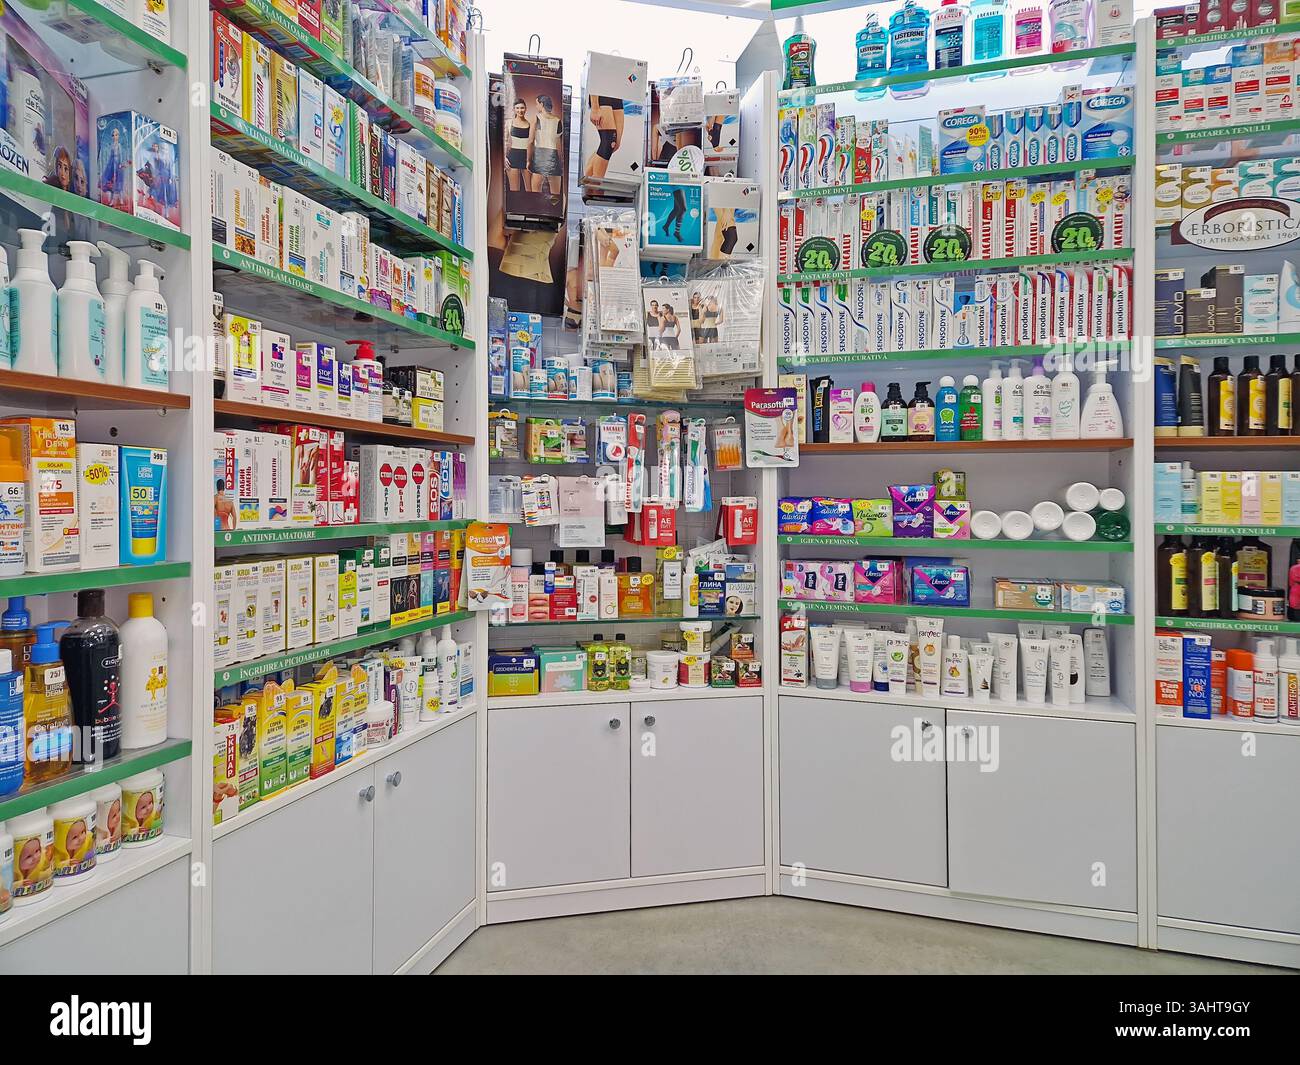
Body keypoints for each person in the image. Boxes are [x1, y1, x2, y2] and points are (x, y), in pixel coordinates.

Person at [529, 94, 564, 197]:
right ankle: (553, 209)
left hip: (540, 155)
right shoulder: (558, 121)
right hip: (553, 156)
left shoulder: (536, 118)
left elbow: (531, 140)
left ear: (542, 104)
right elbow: (559, 145)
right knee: (555, 195)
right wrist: (559, 161)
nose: (536, 106)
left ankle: (537, 210)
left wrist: (528, 159)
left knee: (535, 191)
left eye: (536, 104)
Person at [584, 94, 624, 182]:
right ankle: (595, 185)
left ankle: (587, 181)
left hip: (616, 93)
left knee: (615, 144)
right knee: (609, 142)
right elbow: (595, 80)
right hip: (600, 94)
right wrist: (594, 107)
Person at [505, 98, 534, 192]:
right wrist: (504, 157)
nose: (520, 110)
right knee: (514, 190)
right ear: (514, 109)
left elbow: (532, 143)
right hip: (512, 157)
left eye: (522, 108)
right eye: (517, 108)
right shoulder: (509, 123)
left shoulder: (530, 125)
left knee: (529, 190)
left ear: (526, 109)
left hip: (526, 158)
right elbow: (504, 141)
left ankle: (529, 206)